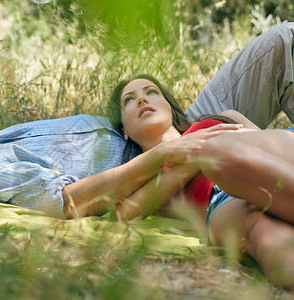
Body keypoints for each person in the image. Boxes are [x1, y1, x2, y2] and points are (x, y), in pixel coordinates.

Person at [0, 22, 293, 220]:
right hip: (164, 160)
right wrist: (171, 151)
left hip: (182, 129)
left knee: (283, 42)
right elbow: (73, 202)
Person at [107, 73, 294, 288]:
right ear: (124, 130)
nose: (142, 99)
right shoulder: (148, 177)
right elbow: (122, 215)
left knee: (221, 151)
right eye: (129, 100)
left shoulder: (224, 117)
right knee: (270, 240)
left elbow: (272, 144)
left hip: (276, 163)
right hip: (224, 202)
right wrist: (194, 158)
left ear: (169, 106)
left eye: (151, 92)